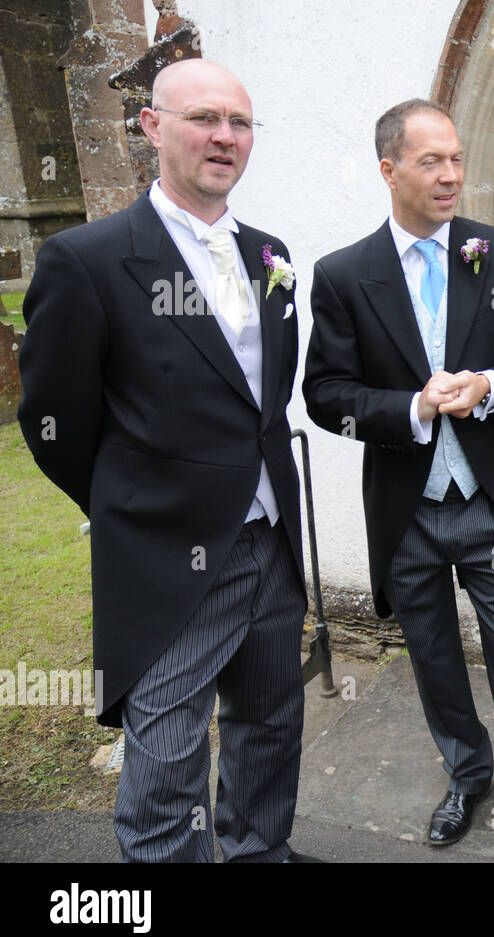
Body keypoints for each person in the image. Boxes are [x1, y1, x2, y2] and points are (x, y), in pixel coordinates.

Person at [18, 59, 310, 862]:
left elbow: (265, 402)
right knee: (167, 768)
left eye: (240, 123)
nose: (224, 136)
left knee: (269, 729)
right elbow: (51, 422)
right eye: (203, 118)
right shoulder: (88, 259)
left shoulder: (271, 254)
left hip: (272, 544)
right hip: (167, 557)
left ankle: (258, 852)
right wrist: (130, 503)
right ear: (151, 125)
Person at [302, 99, 494, 863]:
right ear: (388, 168)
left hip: (491, 504)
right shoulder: (343, 275)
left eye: (458, 159)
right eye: (432, 160)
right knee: (433, 659)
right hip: (407, 513)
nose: (450, 175)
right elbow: (326, 394)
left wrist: (491, 386)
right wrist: (410, 407)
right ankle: (466, 776)